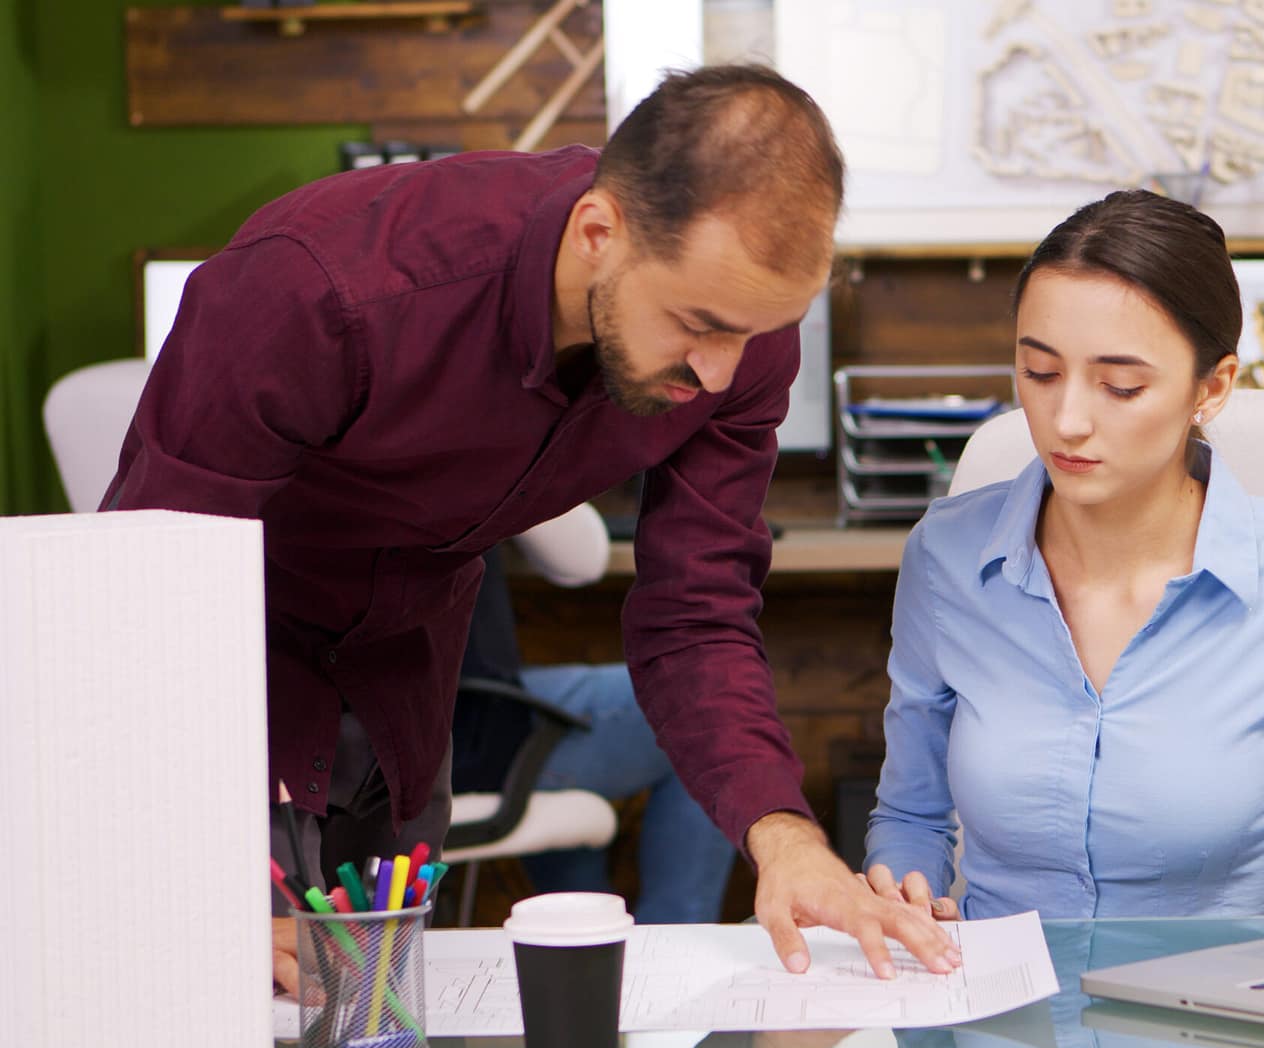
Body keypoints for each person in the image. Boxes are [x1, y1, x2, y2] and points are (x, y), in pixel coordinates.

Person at [103, 63, 956, 993]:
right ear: (599, 232)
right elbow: (149, 596)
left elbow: (696, 612)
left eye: (753, 334)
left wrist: (783, 838)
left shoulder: (739, 336)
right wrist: (199, 872)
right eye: (697, 325)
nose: (719, 375)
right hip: (219, 704)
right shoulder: (319, 291)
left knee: (378, 1024)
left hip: (408, 699)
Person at [862, 190, 1264, 935]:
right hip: (999, 1024)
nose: (1066, 420)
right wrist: (902, 889)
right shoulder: (947, 558)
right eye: (1039, 373)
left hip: (1210, 1028)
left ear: (1213, 387)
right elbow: (911, 814)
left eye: (1121, 386)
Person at [450, 504, 736, 924]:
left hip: (366, 748)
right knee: (710, 706)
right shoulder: (464, 445)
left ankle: (587, 939)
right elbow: (582, 559)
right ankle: (673, 941)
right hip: (458, 735)